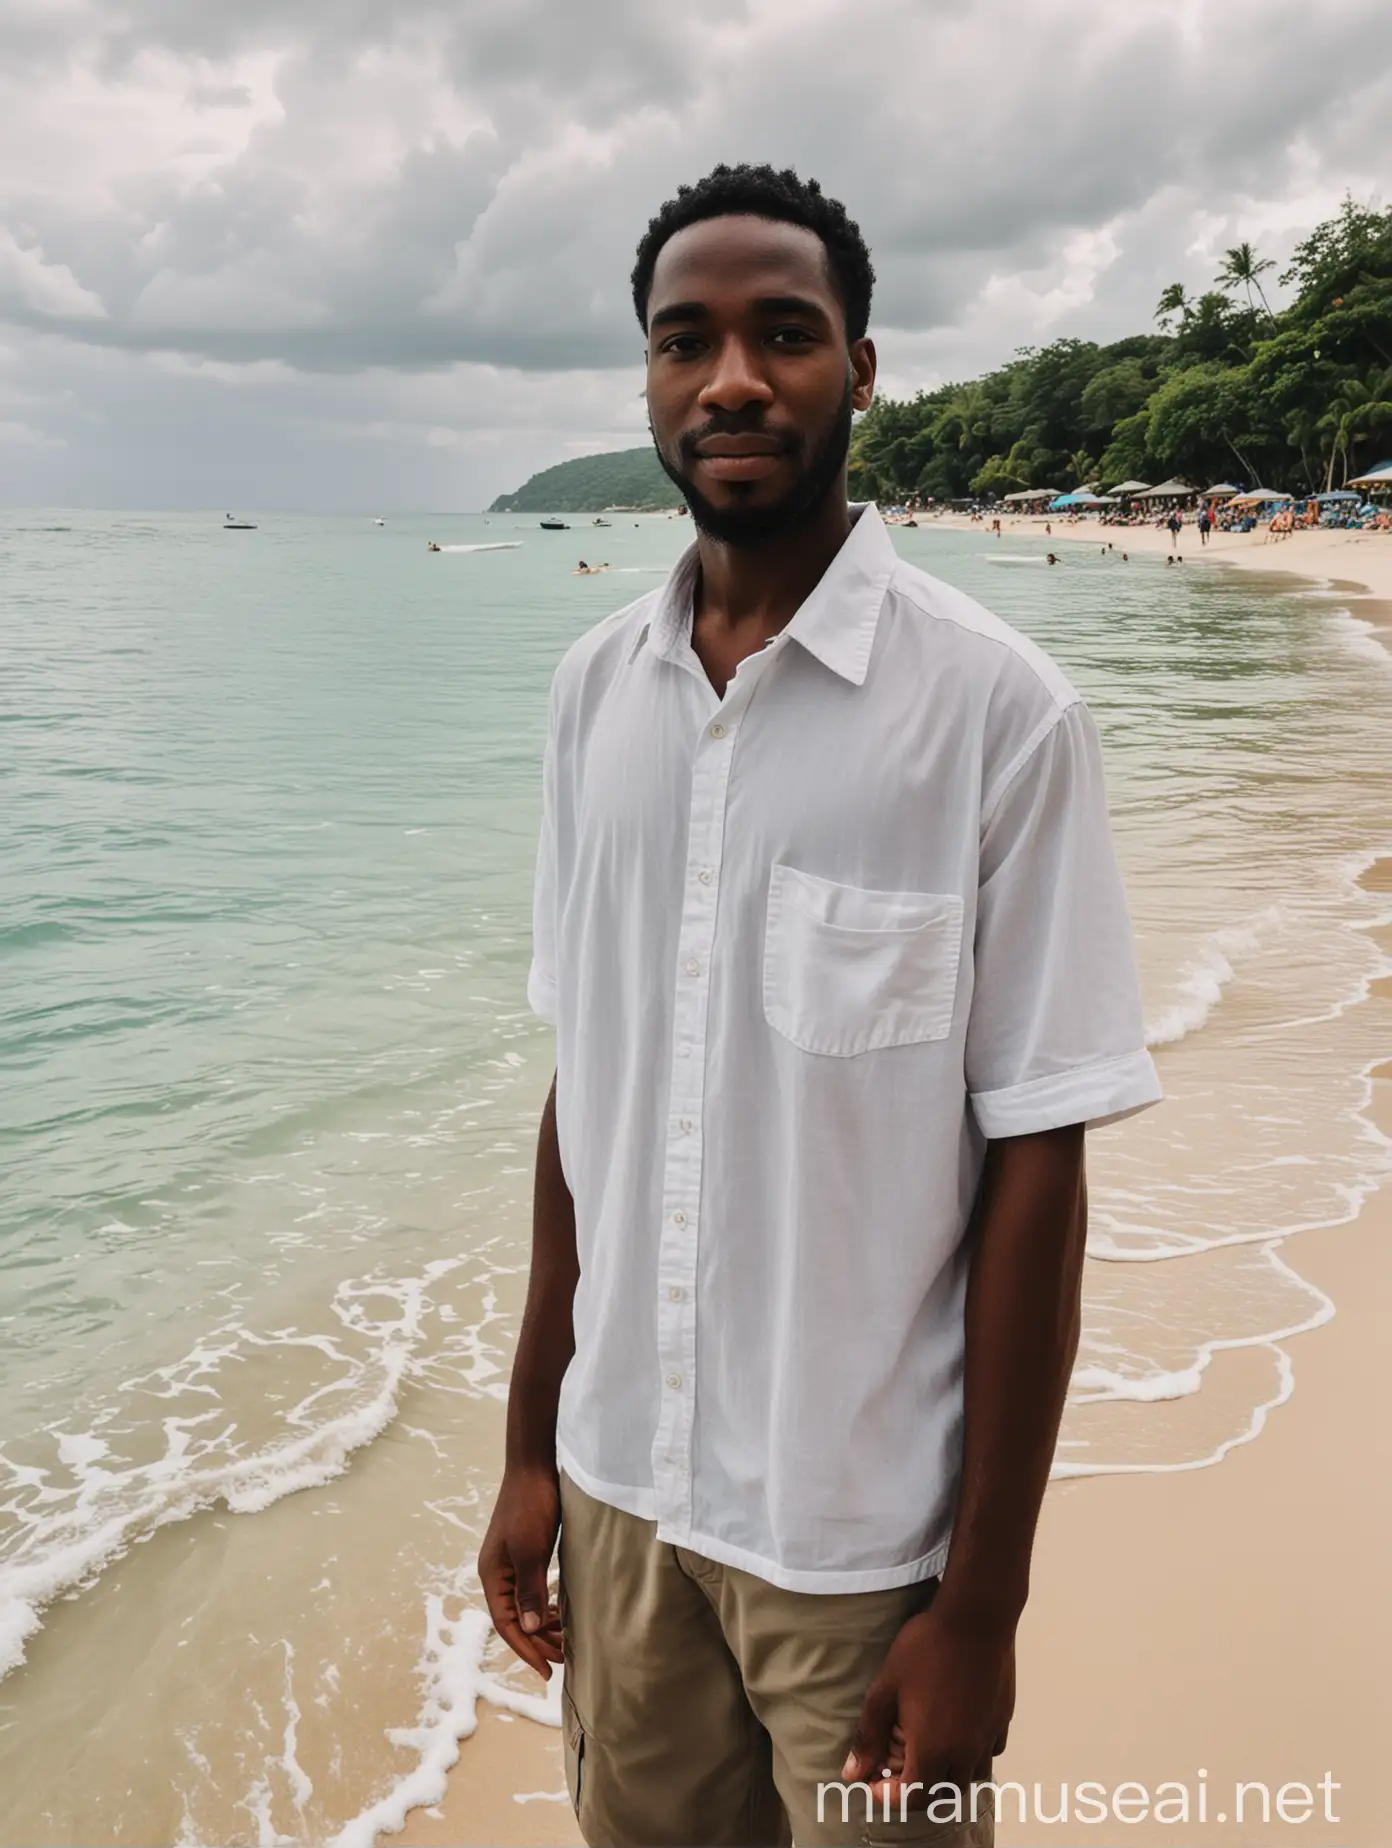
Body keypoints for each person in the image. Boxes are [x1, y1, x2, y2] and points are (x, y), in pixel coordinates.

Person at [480, 162, 1161, 1848]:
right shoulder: (592, 699)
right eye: (684, 340)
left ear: (859, 369)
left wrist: (983, 1602)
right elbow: (593, 1092)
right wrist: (528, 1449)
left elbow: (1037, 1173)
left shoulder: (1001, 715)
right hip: (624, 1498)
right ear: (645, 377)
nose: (731, 378)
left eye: (784, 334)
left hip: (862, 1552)